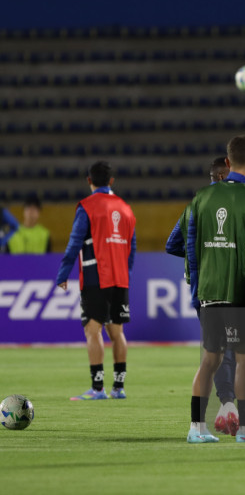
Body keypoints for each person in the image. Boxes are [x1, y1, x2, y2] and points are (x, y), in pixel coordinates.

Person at [185, 135, 245, 444]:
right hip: (241, 291)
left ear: (227, 163)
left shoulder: (202, 197)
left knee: (210, 360)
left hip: (210, 290)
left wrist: (197, 291)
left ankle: (196, 429)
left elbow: (191, 249)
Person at [166, 157, 239, 436]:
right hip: (214, 288)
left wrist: (201, 255)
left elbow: (172, 244)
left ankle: (218, 412)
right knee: (217, 354)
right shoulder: (225, 205)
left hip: (205, 290)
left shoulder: (194, 204)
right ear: (221, 176)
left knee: (219, 353)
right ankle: (215, 414)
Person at [56, 161, 136, 400]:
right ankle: (119, 388)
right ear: (111, 181)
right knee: (117, 331)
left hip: (95, 276)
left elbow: (74, 243)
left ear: (89, 181)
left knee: (93, 330)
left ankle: (98, 388)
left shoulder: (87, 207)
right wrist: (125, 272)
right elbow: (132, 246)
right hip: (119, 278)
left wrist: (63, 274)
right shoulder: (126, 208)